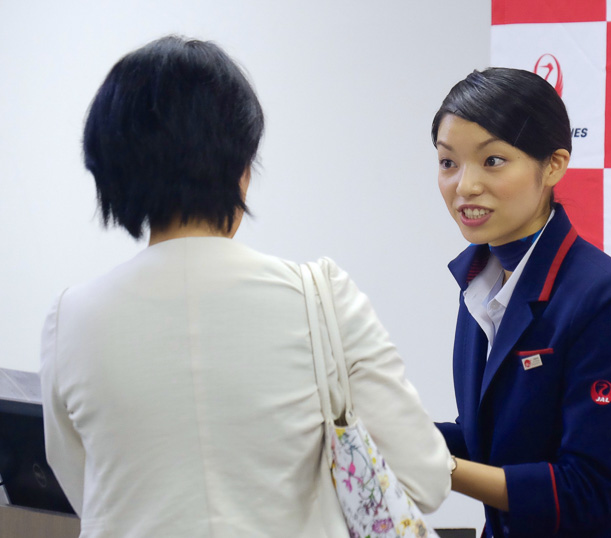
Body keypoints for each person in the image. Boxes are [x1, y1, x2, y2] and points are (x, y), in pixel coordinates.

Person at [39, 35, 450, 537]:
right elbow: (425, 479)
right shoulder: (320, 297)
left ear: (112, 171)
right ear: (241, 166)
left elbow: (84, 485)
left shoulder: (71, 318)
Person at [432, 68, 611, 537]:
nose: (465, 186)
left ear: (554, 165)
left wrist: (434, 465)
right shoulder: (478, 282)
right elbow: (490, 441)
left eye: (494, 160)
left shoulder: (604, 300)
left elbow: (585, 489)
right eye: (448, 163)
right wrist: (385, 435)